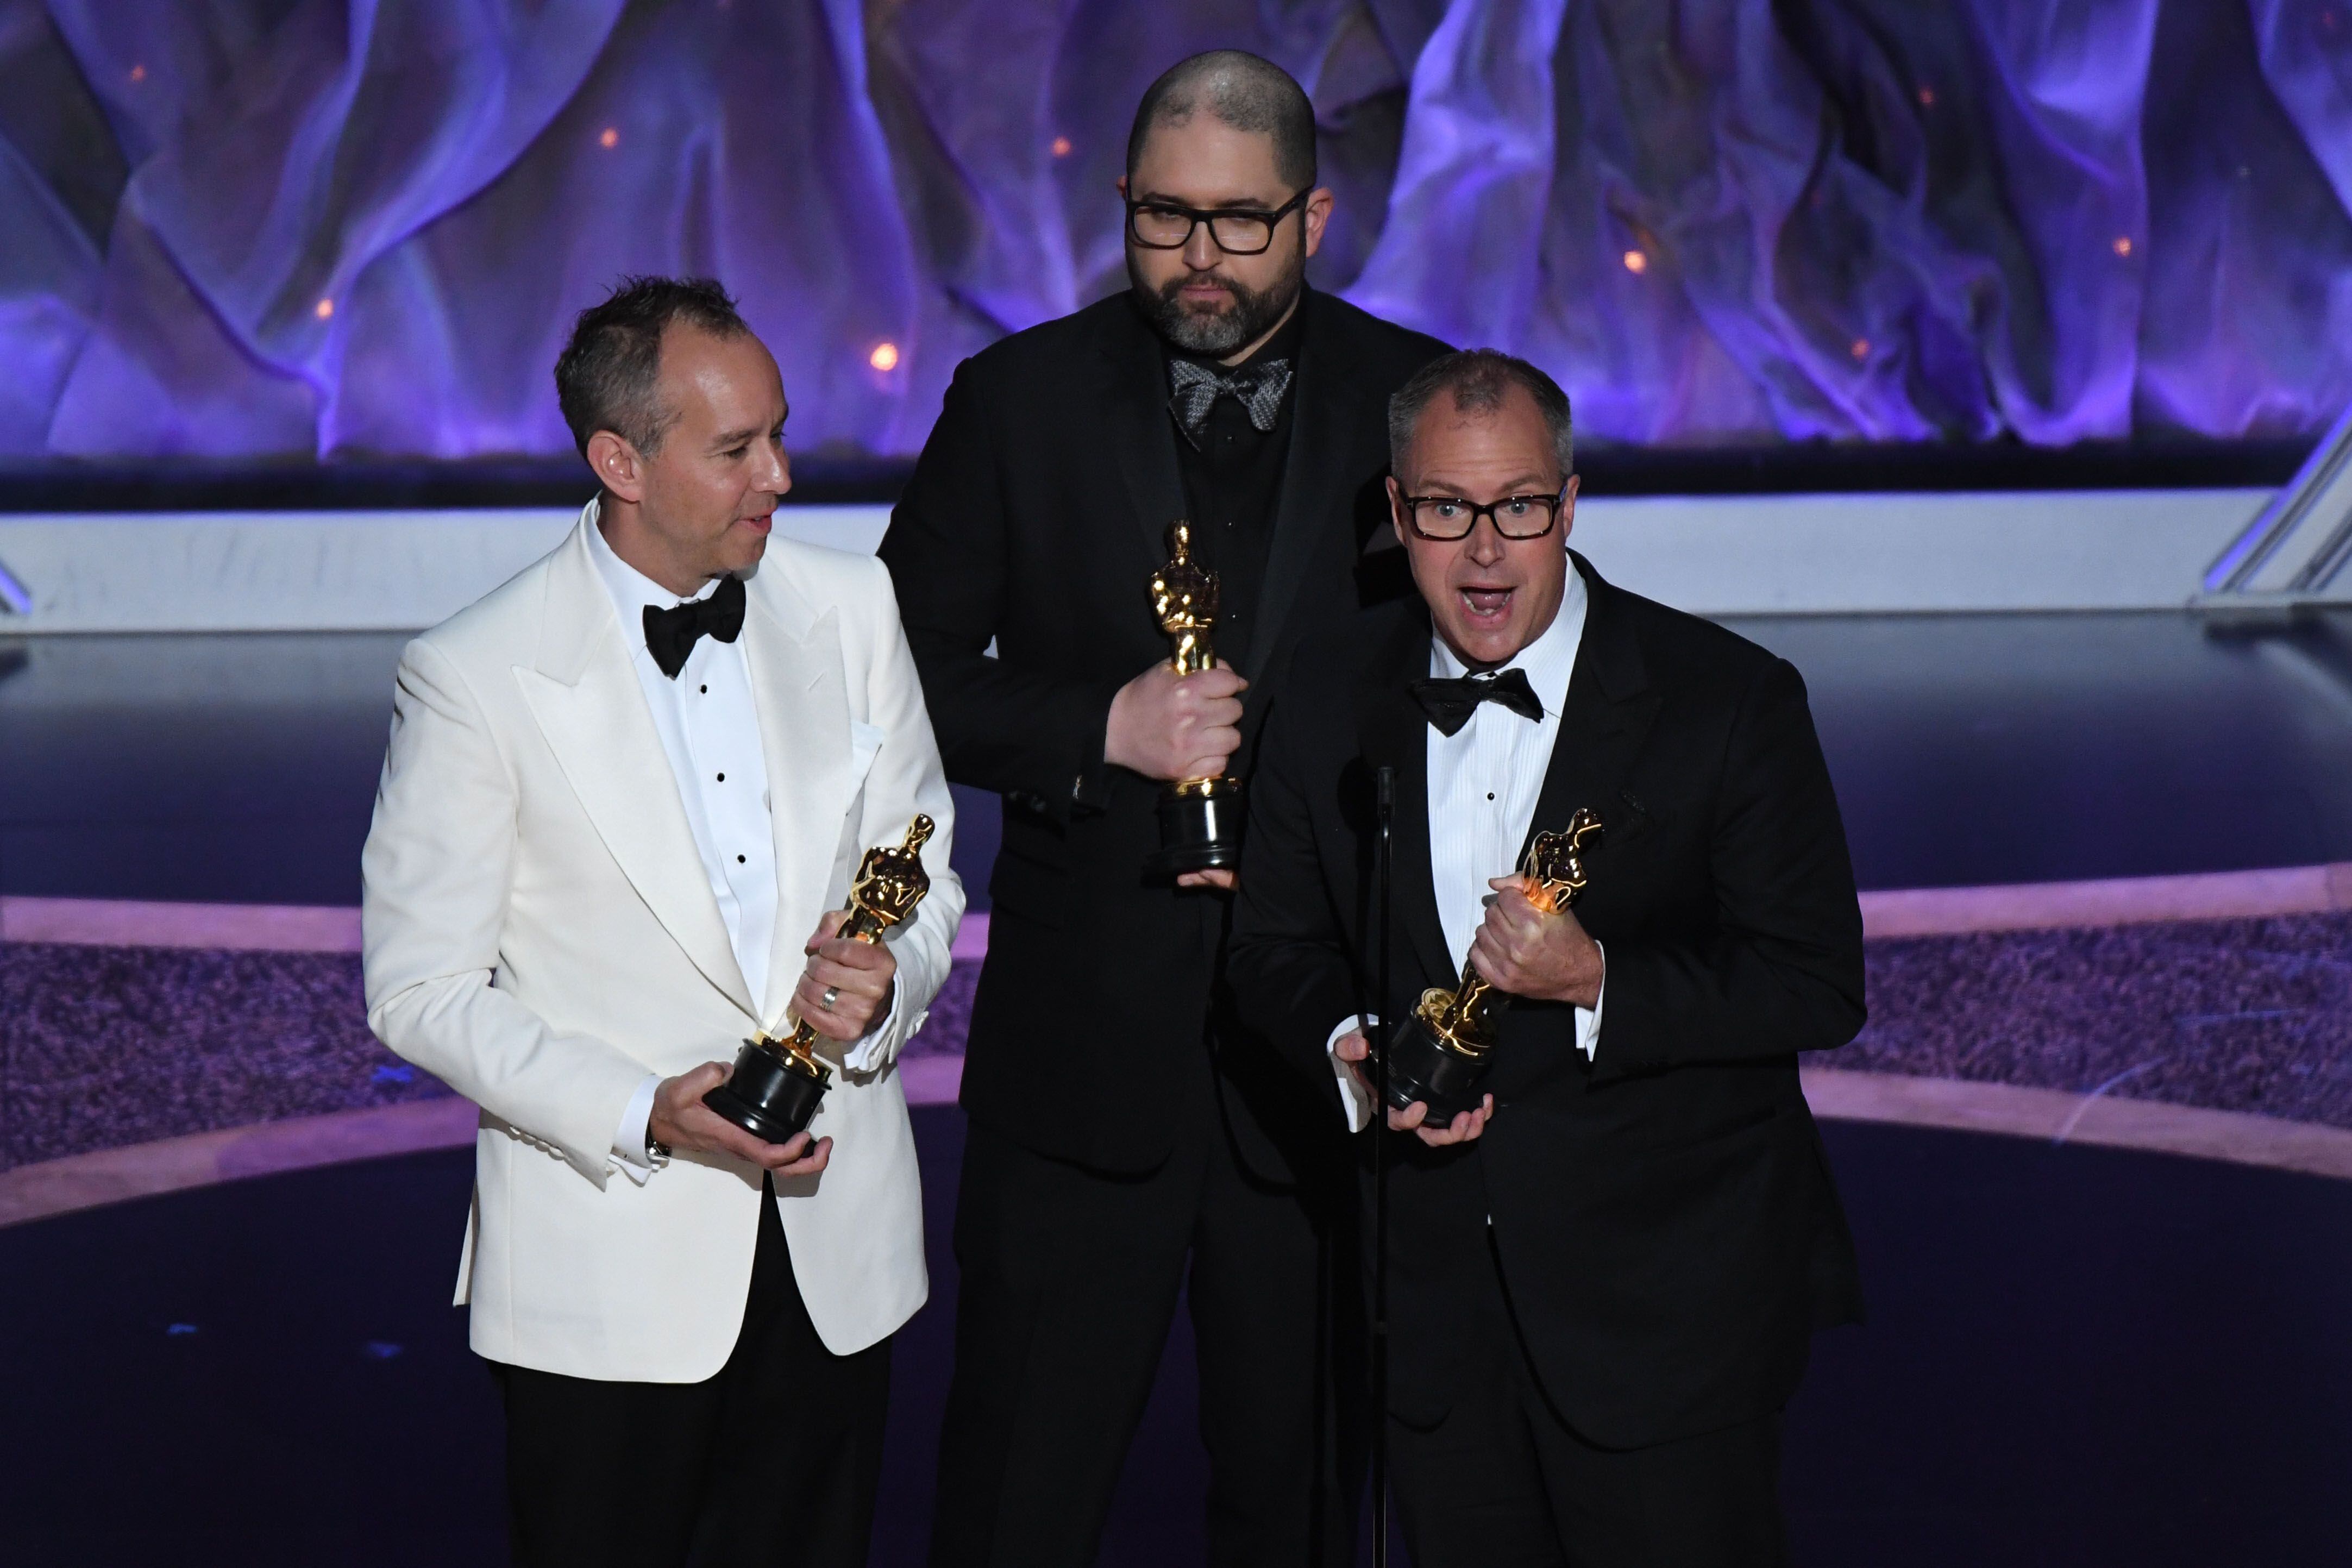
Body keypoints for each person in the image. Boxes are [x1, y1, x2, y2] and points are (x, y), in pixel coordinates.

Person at [877, 49, 1447, 1568]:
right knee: (1016, 1491)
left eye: (1239, 223)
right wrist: (1096, 724)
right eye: (1164, 218)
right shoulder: (1017, 400)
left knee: (1304, 1499)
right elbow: (880, 684)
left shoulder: (1417, 406)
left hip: (1319, 1049)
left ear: (1314, 218)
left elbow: (1480, 684)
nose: (1199, 258)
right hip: (1082, 1053)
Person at [360, 276, 963, 1568]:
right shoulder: (473, 673)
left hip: (831, 1257)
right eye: (736, 449)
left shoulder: (849, 608)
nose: (781, 477)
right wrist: (644, 1107)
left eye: (779, 434)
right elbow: (421, 990)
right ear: (618, 459)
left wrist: (888, 982)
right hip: (606, 1275)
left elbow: (923, 865)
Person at [1227, 349, 1866, 1566]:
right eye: (1446, 512)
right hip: (1430, 1324)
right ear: (1397, 510)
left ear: (1567, 507)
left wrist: (1596, 984)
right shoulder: (1325, 692)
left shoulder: (1725, 700)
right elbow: (1273, 948)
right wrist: (1348, 1052)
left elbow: (1814, 981)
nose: (1483, 552)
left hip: (1664, 1328)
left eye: (1517, 508)